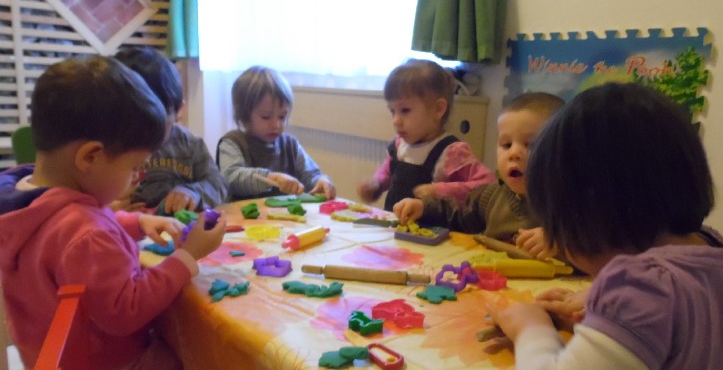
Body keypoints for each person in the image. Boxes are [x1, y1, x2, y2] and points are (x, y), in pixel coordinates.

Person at [486, 83, 723, 370]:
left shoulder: (641, 287)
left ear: (588, 211)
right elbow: (672, 320)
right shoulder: (708, 250)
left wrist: (531, 329)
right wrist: (596, 300)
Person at [0, 56, 227, 370]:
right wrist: (188, 257)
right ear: (90, 157)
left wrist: (136, 221)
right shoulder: (86, 235)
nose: (136, 177)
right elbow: (127, 310)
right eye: (133, 167)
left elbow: (71, 229)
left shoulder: (28, 195)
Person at [393, 92, 563, 258]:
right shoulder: (490, 197)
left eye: (530, 145)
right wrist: (423, 208)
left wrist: (561, 243)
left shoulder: (570, 205)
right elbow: (456, 216)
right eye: (506, 145)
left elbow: (581, 247)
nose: (513, 153)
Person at [356, 59, 495, 211]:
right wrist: (375, 185)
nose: (396, 121)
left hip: (431, 226)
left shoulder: (452, 152)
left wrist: (440, 191)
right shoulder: (398, 145)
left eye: (405, 110)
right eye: (392, 111)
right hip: (394, 223)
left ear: (438, 109)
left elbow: (486, 185)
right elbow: (387, 171)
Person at [111, 46, 228, 214]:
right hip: (127, 225)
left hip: (179, 223)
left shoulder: (189, 144)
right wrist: (104, 210)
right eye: (131, 121)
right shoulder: (109, 147)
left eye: (155, 124)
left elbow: (218, 183)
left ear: (179, 110)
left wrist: (193, 193)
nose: (142, 134)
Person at [216, 66, 336, 201]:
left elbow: (311, 175)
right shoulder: (232, 143)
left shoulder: (291, 146)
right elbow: (231, 177)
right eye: (266, 117)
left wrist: (322, 181)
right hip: (241, 214)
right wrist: (271, 178)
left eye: (282, 117)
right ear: (244, 116)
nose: (276, 125)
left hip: (283, 214)